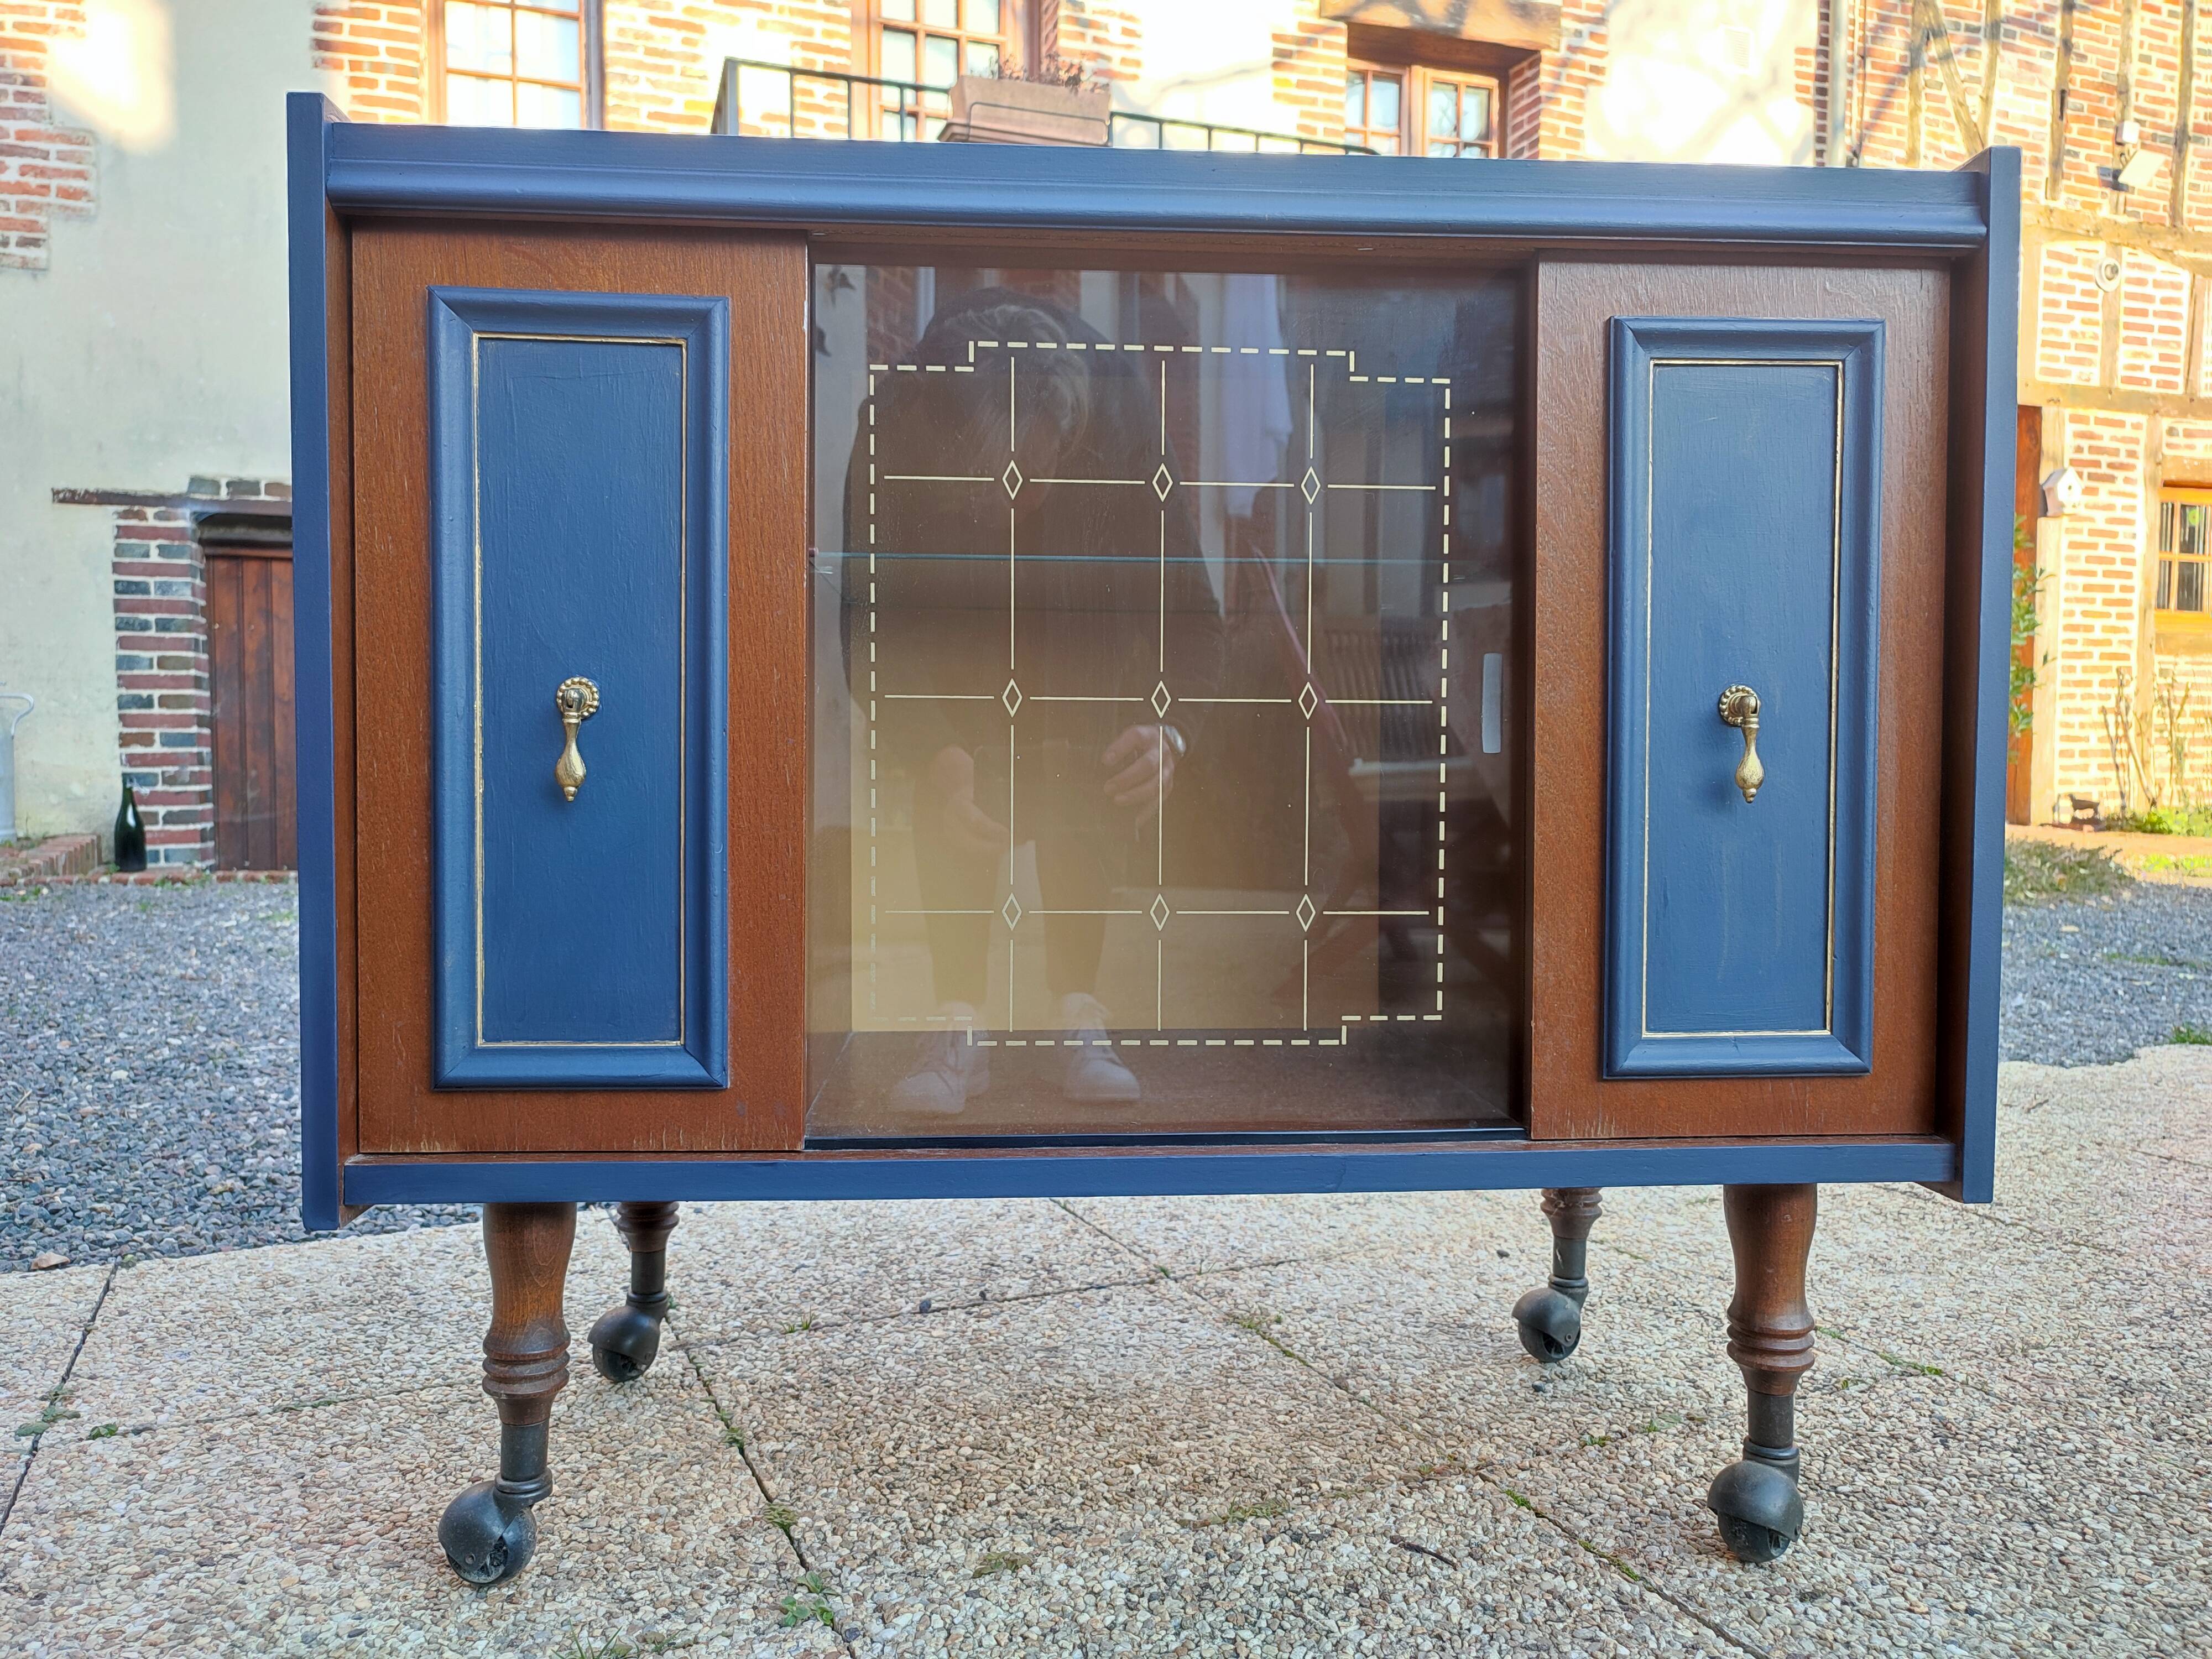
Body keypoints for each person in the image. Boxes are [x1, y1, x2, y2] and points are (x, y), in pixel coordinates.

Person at [845, 285, 1224, 1114]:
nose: (1013, 493)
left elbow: (1194, 619)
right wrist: (934, 753)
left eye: (1033, 467)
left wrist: (1170, 730)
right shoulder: (895, 422)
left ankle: (1078, 1011)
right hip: (953, 642)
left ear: (1069, 429)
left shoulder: (1124, 418)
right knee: (948, 765)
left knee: (1090, 735)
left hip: (1081, 647)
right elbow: (872, 625)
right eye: (989, 479)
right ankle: (956, 1021)